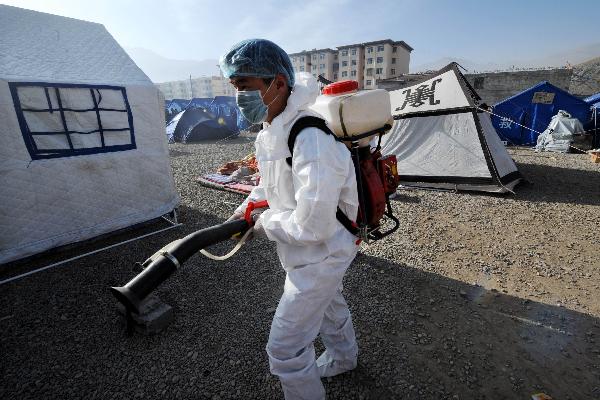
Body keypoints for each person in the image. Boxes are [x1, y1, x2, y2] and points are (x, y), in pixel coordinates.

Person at [219, 39, 360, 399]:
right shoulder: (273, 130)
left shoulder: (309, 136)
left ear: (279, 84)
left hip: (322, 252)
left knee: (284, 349)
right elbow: (270, 186)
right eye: (235, 88)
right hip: (310, 252)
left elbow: (313, 226)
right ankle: (344, 358)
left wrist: (263, 222)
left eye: (245, 88)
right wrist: (245, 212)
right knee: (330, 304)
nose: (239, 98)